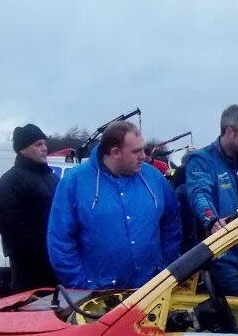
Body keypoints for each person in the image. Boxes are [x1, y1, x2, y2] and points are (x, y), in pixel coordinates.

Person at [46, 121, 182, 290]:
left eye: (143, 149)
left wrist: (167, 268)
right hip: (99, 294)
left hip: (150, 291)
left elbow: (172, 223)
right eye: (136, 151)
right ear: (115, 152)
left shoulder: (154, 177)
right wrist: (81, 285)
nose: (143, 156)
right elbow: (60, 241)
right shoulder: (74, 182)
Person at [185, 105, 238, 296]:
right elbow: (199, 193)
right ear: (230, 132)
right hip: (223, 251)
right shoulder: (202, 159)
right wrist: (212, 221)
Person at [0, 124, 60, 292]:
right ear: (22, 149)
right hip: (29, 269)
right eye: (38, 144)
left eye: (45, 143)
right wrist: (38, 255)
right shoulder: (10, 181)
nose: (44, 148)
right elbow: (13, 227)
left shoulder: (51, 178)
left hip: (56, 260)